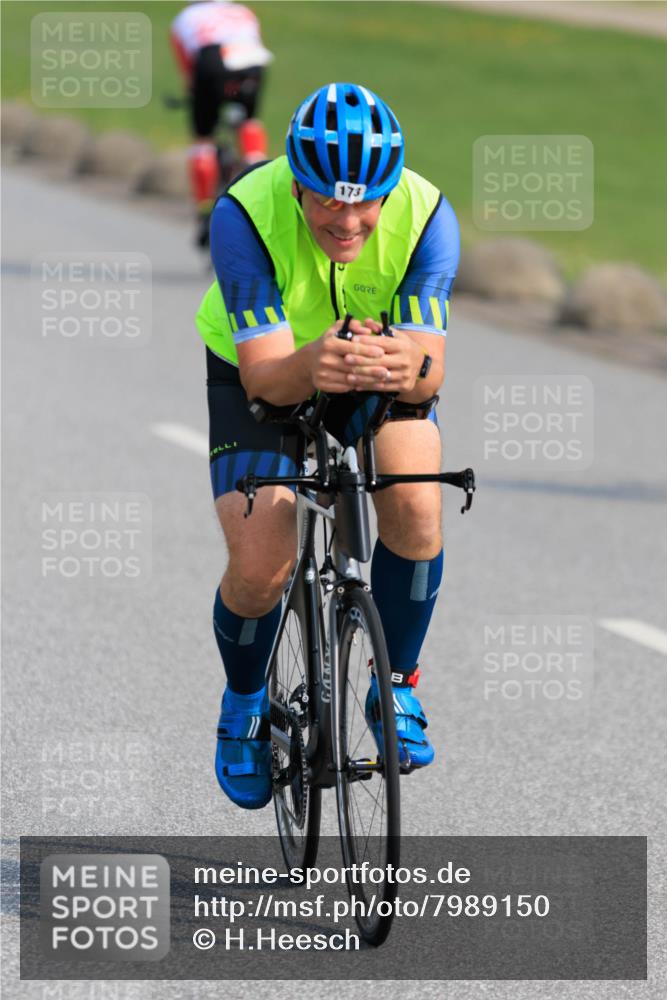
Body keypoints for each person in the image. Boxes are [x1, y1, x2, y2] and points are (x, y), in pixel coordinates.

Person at [196, 82, 460, 809]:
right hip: (266, 374)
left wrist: (412, 366)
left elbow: (431, 364)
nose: (347, 221)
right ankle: (244, 703)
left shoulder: (426, 214)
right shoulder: (244, 214)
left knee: (415, 500)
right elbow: (266, 380)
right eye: (325, 202)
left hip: (372, 368)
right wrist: (313, 365)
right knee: (261, 560)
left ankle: (396, 685)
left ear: (388, 188)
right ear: (297, 183)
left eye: (364, 202)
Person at [170, 0, 273, 246]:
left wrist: (196, 97)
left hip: (212, 61)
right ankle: (256, 167)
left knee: (203, 138)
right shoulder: (242, 11)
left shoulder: (185, 17)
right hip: (252, 61)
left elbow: (189, 71)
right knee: (248, 121)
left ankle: (205, 207)